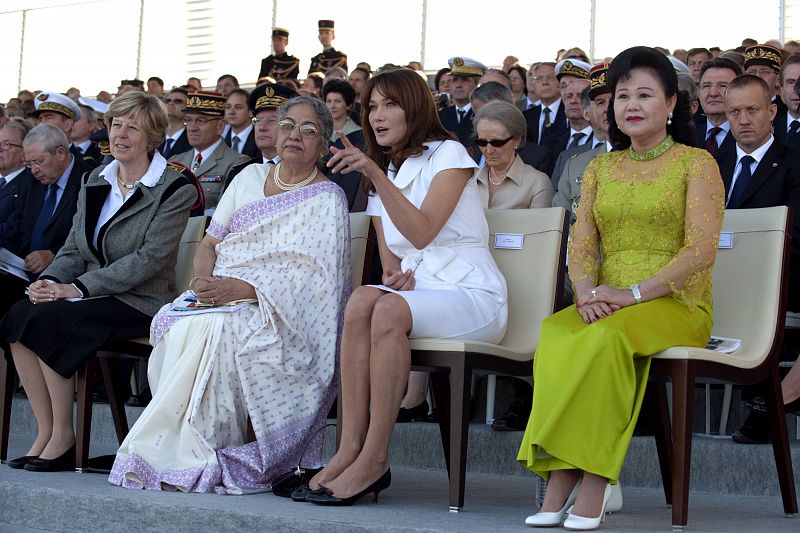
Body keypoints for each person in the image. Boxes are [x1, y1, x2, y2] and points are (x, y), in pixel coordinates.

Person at [518, 46, 724, 530]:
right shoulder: (600, 168)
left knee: (609, 338)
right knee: (558, 332)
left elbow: (700, 251)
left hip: (675, 302)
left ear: (672, 104)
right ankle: (561, 475)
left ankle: (593, 480)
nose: (630, 104)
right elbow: (582, 246)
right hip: (606, 301)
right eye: (622, 95)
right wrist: (587, 292)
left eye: (645, 94)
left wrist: (631, 295)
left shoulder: (696, 164)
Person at [109, 96, 349, 493]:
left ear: (323, 143)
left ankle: (204, 449)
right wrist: (202, 282)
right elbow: (209, 244)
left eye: (309, 130)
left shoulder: (328, 199)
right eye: (288, 125)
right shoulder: (249, 176)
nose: (295, 136)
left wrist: (248, 289)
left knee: (215, 331)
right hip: (219, 292)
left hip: (277, 311)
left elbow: (319, 283)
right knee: (177, 323)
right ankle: (168, 447)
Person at [301, 67, 508, 505]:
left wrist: (375, 175)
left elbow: (421, 232)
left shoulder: (448, 154)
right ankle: (347, 451)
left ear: (413, 108)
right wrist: (397, 277)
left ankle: (376, 458)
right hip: (423, 294)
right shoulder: (387, 167)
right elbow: (394, 263)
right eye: (372, 106)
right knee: (361, 299)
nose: (377, 116)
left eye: (389, 104)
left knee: (388, 309)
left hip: (472, 294)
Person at [0, 92, 198, 472]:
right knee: (19, 316)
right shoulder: (96, 178)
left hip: (140, 299)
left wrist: (76, 288)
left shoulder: (175, 187)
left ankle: (64, 438)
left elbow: (148, 261)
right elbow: (74, 247)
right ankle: (46, 432)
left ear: (153, 135)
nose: (120, 135)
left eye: (132, 128)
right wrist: (51, 280)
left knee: (51, 320)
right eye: (116, 125)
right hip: (92, 295)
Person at [713, 75, 800, 444]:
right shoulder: (709, 165)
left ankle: (769, 402)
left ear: (772, 112)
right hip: (711, 277)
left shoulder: (794, 165)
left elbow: (794, 239)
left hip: (775, 277)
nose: (743, 120)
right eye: (734, 112)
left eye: (752, 110)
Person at [474, 101, 553, 208]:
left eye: (497, 143)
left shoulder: (537, 183)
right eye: (482, 142)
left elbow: (539, 224)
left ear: (517, 140)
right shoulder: (469, 181)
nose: (488, 150)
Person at [323, 79, 363, 145]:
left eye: (338, 101)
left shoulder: (358, 133)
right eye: (329, 101)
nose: (332, 106)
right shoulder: (321, 130)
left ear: (349, 105)